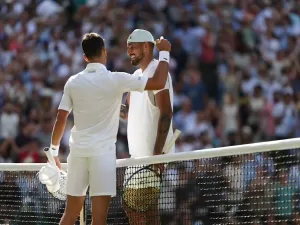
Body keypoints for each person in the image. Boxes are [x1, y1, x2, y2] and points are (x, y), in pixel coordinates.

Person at [48, 32, 172, 225]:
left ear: (85, 57)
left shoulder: (72, 82)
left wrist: (54, 151)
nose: (129, 49)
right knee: (99, 220)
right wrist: (164, 53)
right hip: (103, 157)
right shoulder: (117, 79)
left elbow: (61, 118)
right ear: (104, 52)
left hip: (78, 154)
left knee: (69, 215)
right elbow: (158, 82)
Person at [121, 29, 174, 225]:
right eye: (128, 48)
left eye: (132, 47)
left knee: (134, 206)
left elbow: (166, 113)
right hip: (138, 157)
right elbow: (128, 111)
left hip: (151, 156)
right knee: (147, 211)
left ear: (146, 46)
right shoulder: (136, 75)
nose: (129, 51)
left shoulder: (158, 70)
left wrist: (157, 153)